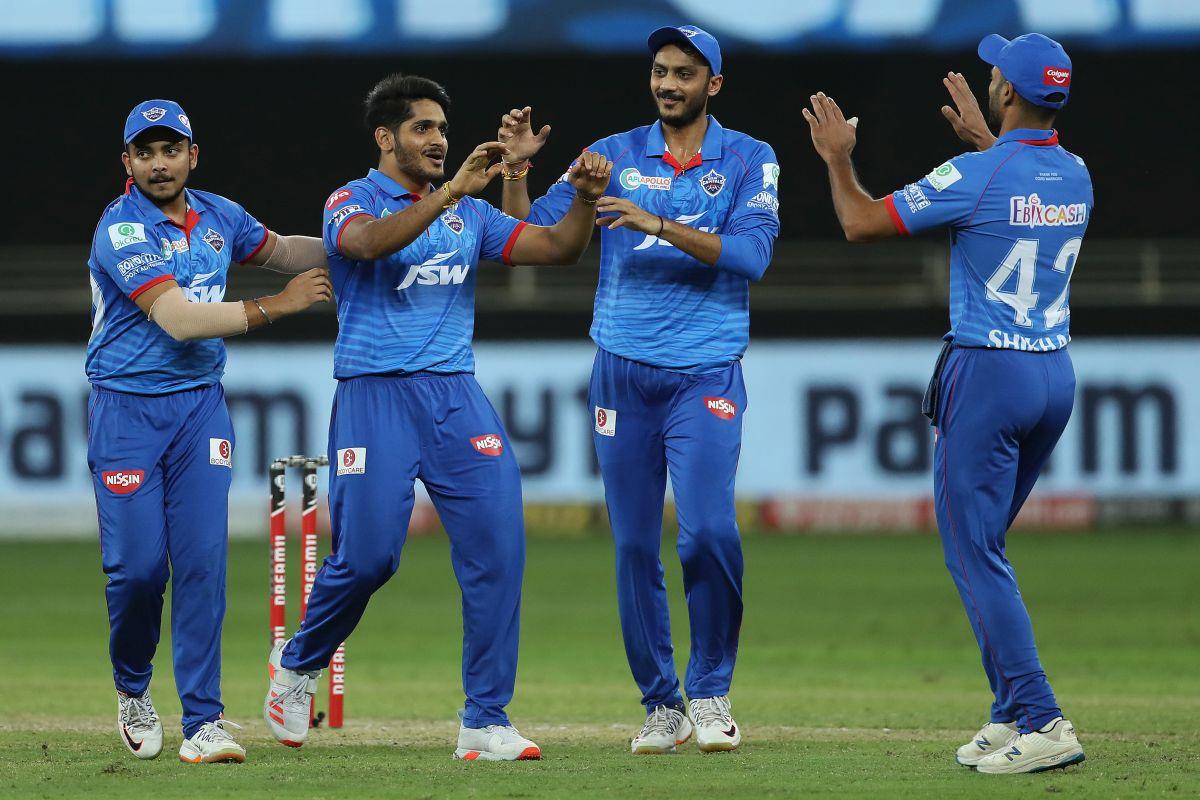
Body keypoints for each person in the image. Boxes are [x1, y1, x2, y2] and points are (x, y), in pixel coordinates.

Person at [262, 74, 612, 761]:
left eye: (443, 130)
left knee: (499, 549)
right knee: (368, 559)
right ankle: (298, 667)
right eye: (423, 129)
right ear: (385, 138)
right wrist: (452, 190)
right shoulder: (350, 199)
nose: (439, 141)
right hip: (374, 396)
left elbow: (556, 250)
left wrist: (584, 199)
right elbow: (364, 246)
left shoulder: (470, 216)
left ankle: (485, 720)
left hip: (456, 397)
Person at [802, 33, 1091, 774]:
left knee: (974, 551)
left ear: (1004, 92)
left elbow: (861, 222)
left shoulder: (977, 171)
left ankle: (1043, 717)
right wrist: (993, 143)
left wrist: (837, 158)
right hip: (1054, 375)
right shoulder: (1076, 173)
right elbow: (1018, 187)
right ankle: (1006, 711)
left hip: (990, 374)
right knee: (985, 544)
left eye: (997, 72)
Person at [497, 25, 779, 754]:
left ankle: (711, 691)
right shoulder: (610, 154)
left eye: (684, 74)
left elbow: (750, 256)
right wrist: (520, 173)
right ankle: (662, 704)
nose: (668, 85)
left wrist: (658, 221)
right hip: (622, 371)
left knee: (709, 530)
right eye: (659, 71)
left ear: (712, 84)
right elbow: (529, 237)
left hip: (706, 370)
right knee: (631, 546)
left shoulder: (750, 158)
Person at [88, 99, 332, 764]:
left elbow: (283, 251)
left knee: (202, 565)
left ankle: (205, 722)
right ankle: (133, 687)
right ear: (128, 163)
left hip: (200, 408)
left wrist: (362, 241)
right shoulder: (121, 229)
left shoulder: (218, 215)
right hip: (126, 412)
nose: (159, 163)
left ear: (192, 156)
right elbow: (179, 320)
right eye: (145, 152)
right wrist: (276, 307)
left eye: (171, 150)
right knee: (138, 572)